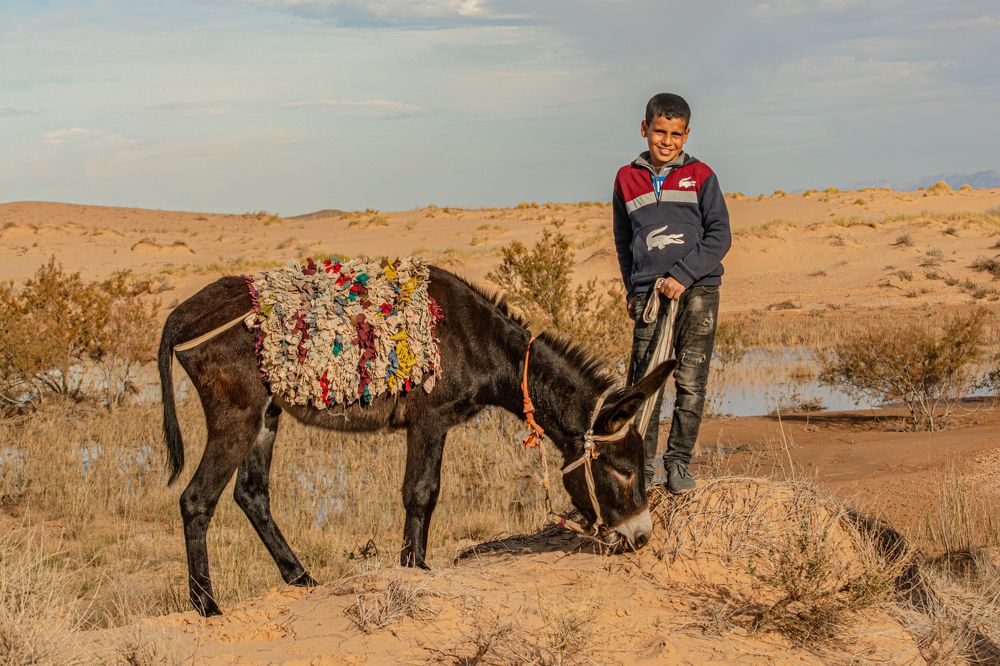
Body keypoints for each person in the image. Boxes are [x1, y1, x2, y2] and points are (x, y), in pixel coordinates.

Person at [612, 92, 732, 494]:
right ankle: (643, 470)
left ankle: (678, 463)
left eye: (676, 134)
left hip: (698, 291)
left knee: (691, 382)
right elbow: (624, 239)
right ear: (645, 129)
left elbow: (720, 236)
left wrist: (683, 274)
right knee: (644, 387)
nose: (667, 141)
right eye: (659, 131)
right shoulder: (625, 179)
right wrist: (633, 290)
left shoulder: (701, 175)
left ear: (687, 134)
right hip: (649, 297)